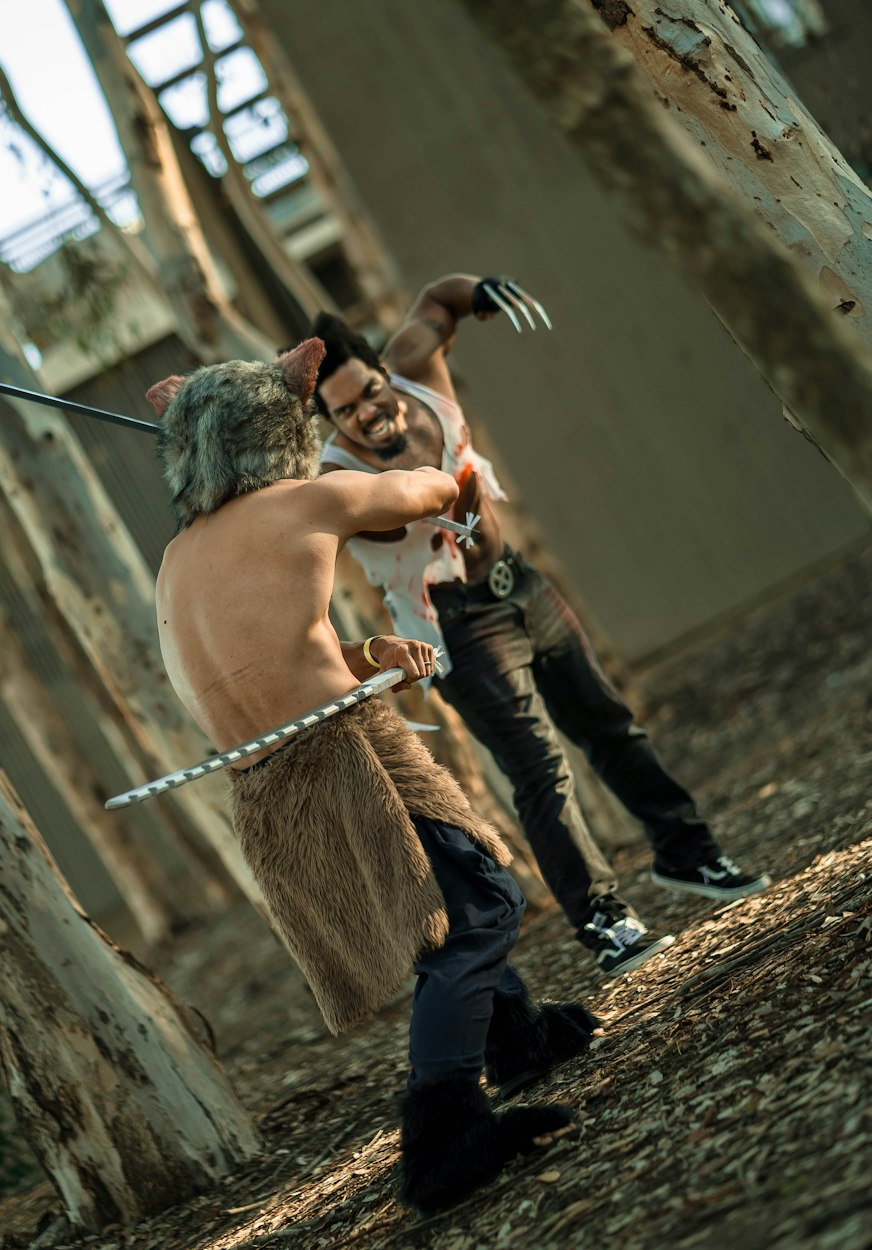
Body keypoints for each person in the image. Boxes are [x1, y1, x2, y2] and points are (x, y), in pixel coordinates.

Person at [145, 339, 600, 1213]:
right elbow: (425, 490)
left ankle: (516, 1040)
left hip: (267, 779)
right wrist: (430, 442)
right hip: (341, 755)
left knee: (445, 900)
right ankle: (442, 1135)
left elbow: (262, 671)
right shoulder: (303, 501)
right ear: (283, 429)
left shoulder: (177, 562)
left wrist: (365, 654)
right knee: (477, 912)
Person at [310, 274, 771, 978]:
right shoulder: (341, 482)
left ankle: (689, 853)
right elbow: (414, 504)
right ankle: (604, 920)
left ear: (381, 370)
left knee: (611, 724)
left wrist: (481, 291)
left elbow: (437, 301)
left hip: (521, 584)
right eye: (344, 412)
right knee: (542, 770)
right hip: (457, 627)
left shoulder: (415, 371)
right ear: (328, 422)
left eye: (369, 391)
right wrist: (450, 491)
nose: (367, 414)